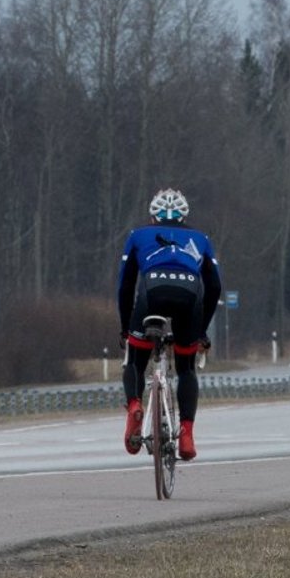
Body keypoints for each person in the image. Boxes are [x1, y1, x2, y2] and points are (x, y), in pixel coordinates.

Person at [116, 187, 222, 461]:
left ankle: (135, 407)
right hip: (190, 298)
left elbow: (125, 285)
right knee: (186, 368)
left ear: (153, 216)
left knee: (136, 361)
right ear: (184, 216)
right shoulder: (201, 238)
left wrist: (125, 327)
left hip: (151, 294)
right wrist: (201, 332)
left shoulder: (138, 236)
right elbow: (215, 286)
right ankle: (186, 434)